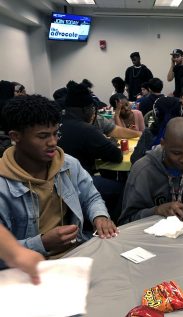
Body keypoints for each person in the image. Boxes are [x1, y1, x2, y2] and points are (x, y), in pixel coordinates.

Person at [0, 94, 118, 260]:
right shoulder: (3, 186)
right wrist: (42, 243)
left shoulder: (68, 164)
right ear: (15, 137)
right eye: (43, 136)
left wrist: (100, 216)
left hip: (77, 252)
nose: (53, 142)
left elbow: (91, 197)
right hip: (30, 267)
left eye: (56, 133)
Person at [119, 117, 183, 224]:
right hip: (155, 238)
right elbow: (126, 221)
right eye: (176, 153)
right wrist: (156, 210)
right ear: (163, 144)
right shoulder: (143, 170)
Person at [58, 81, 124, 223]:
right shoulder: (85, 129)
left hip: (57, 185)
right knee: (123, 189)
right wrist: (110, 141)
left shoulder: (56, 123)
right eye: (92, 109)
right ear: (86, 109)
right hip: (77, 185)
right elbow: (116, 156)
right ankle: (117, 224)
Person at [130, 96, 183, 164]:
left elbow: (135, 159)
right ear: (180, 113)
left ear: (156, 114)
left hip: (154, 176)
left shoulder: (150, 133)